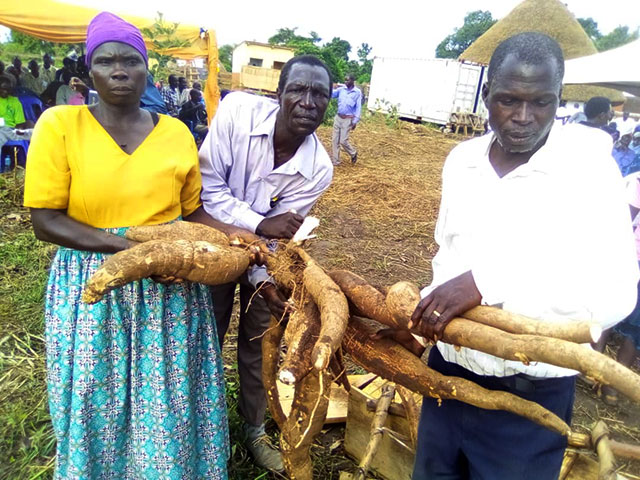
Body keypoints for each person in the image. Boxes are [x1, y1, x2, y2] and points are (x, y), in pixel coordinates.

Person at [381, 32, 638, 480]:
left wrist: (487, 284)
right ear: (486, 96)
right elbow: (448, 257)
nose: (523, 117)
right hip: (448, 379)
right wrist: (425, 320)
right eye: (507, 100)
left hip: (530, 397)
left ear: (559, 98)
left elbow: (616, 294)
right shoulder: (462, 162)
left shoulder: (589, 172)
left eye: (541, 102)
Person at [23, 12, 252, 479]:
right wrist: (130, 253)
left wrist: (245, 237)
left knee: (167, 394)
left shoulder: (175, 132)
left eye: (131, 60)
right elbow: (45, 220)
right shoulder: (60, 124)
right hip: (95, 284)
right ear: (89, 72)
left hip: (170, 288)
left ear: (147, 66)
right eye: (106, 61)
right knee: (95, 395)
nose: (119, 70)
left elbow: (191, 214)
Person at [198, 54, 334, 472]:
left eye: (319, 94)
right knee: (203, 333)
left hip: (264, 258)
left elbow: (282, 240)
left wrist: (266, 281)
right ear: (279, 93)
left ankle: (253, 429)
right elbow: (207, 191)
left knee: (262, 343)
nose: (308, 101)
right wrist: (259, 224)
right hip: (212, 237)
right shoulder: (237, 113)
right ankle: (198, 424)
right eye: (298, 90)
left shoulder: (318, 169)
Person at [331, 73, 361, 165]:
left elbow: (358, 107)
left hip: (347, 119)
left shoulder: (357, 92)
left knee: (343, 141)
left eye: (347, 80)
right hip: (338, 117)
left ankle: (353, 153)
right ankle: (336, 161)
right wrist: (330, 87)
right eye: (345, 80)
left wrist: (355, 121)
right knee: (335, 140)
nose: (345, 82)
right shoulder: (341, 90)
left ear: (352, 81)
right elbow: (331, 94)